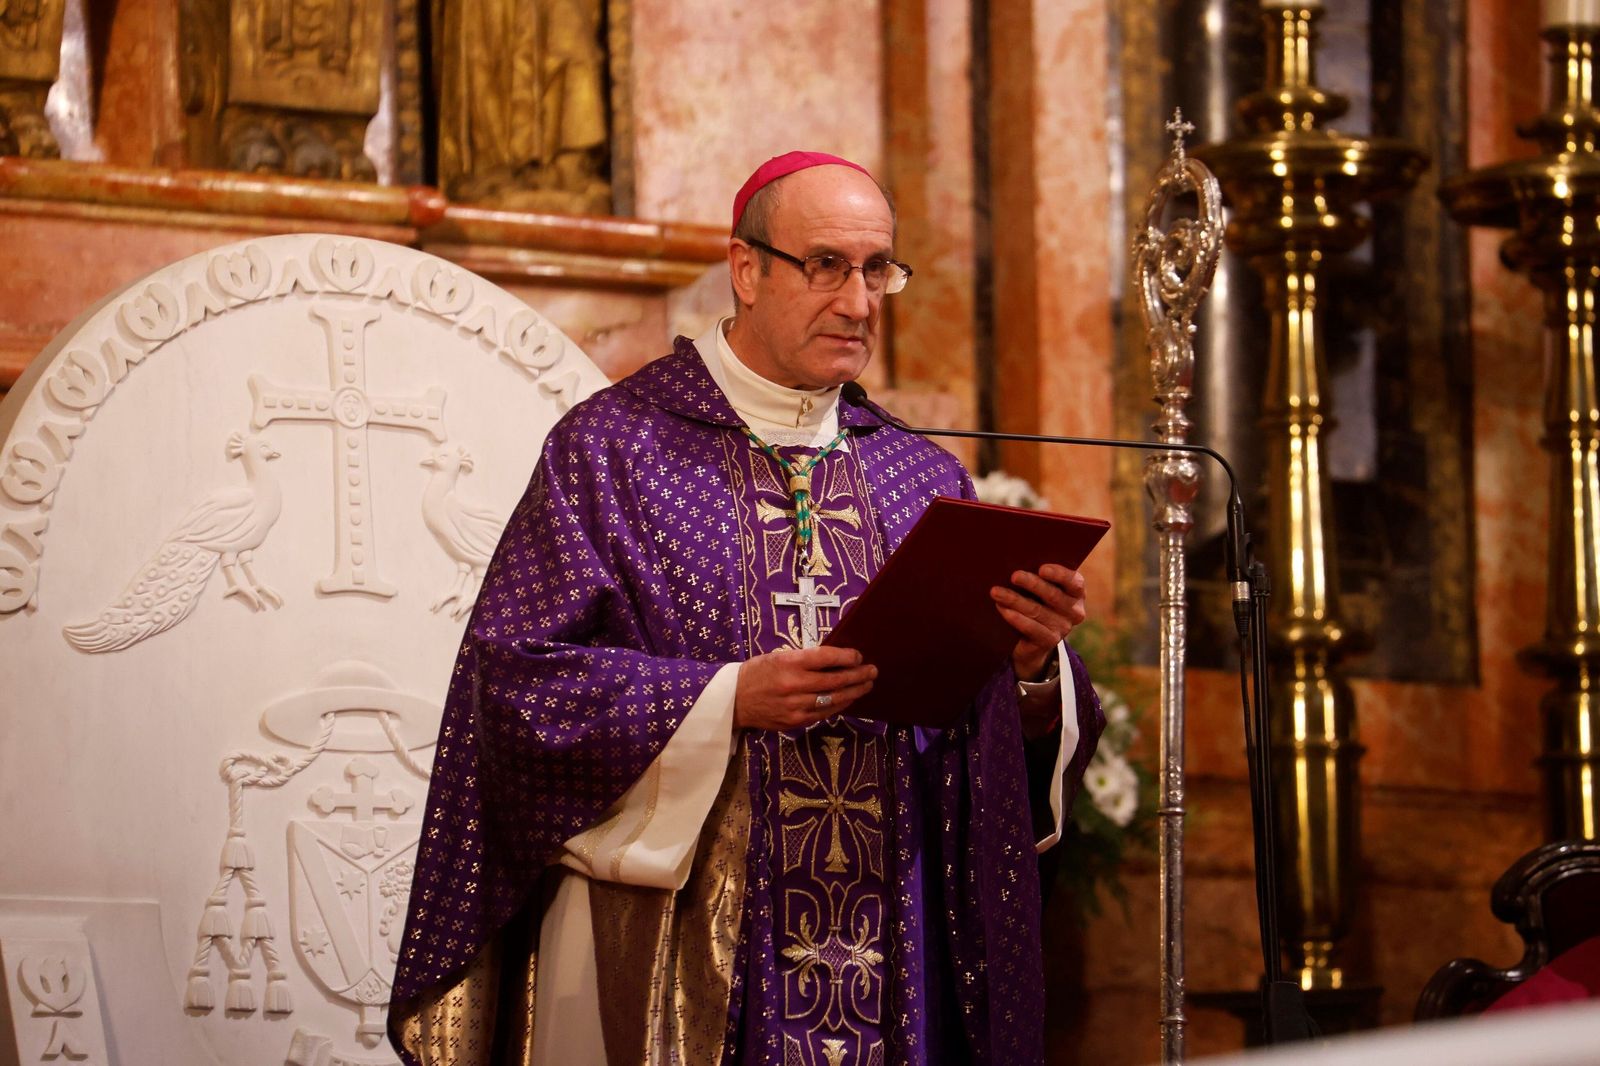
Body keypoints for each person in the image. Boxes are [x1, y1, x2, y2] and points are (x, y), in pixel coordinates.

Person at [388, 151, 1104, 1066]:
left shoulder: (921, 477)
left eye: (877, 269)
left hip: (895, 959)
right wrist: (725, 699)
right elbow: (515, 685)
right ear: (746, 267)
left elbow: (974, 729)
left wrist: (1031, 669)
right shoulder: (613, 451)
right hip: (679, 950)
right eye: (826, 266)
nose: (859, 302)